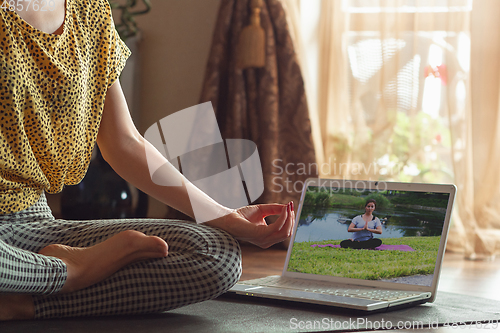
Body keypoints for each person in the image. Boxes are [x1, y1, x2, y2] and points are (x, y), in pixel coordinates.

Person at [0, 0, 294, 320]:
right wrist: (73, 269)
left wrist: (223, 216)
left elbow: (123, 142)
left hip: (33, 223)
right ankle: (68, 272)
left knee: (217, 256)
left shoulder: (89, 10)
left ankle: (23, 303)